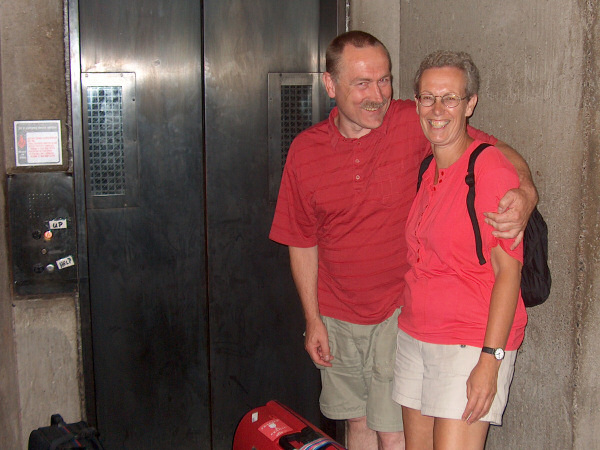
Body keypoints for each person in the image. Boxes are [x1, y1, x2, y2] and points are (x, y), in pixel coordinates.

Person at [269, 31, 536, 450]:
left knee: (392, 431)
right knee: (357, 425)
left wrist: (526, 193)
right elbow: (301, 239)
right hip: (350, 317)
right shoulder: (306, 150)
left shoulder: (414, 120)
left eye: (384, 80)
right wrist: (313, 318)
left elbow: (494, 150)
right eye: (362, 83)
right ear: (330, 84)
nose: (378, 95)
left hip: (402, 313)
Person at [391, 50, 528, 450]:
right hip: (415, 335)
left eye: (450, 98)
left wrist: (491, 359)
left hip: (469, 342)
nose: (437, 109)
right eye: (428, 97)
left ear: (470, 104)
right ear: (416, 103)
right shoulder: (427, 169)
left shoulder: (489, 168)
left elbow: (509, 272)